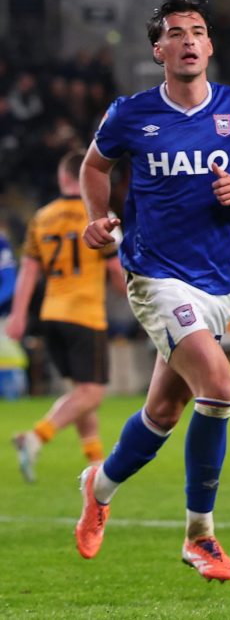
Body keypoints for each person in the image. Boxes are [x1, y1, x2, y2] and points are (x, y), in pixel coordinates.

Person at [76, 0, 230, 582]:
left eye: (197, 31)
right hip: (155, 275)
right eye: (175, 32)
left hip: (217, 284)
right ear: (158, 50)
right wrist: (97, 217)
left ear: (209, 46)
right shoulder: (131, 113)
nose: (188, 39)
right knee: (220, 385)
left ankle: (99, 486)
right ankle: (200, 536)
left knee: (164, 410)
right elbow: (95, 166)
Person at [6, 149, 126, 481]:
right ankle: (35, 436)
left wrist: (18, 315)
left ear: (62, 178)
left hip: (52, 315)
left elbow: (29, 271)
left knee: (81, 394)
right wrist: (135, 294)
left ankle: (96, 463)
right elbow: (116, 270)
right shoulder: (99, 216)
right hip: (85, 314)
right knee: (92, 393)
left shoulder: (42, 217)